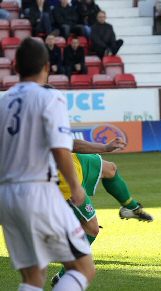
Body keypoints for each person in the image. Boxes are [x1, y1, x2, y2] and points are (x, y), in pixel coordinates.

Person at [0, 38, 95, 291]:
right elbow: (60, 147)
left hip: (7, 196)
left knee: (33, 277)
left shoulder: (3, 102)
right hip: (38, 192)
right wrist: (76, 187)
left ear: (15, 65)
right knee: (83, 267)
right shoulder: (50, 98)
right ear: (47, 66)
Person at [51, 138, 153, 286]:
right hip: (64, 182)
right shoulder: (40, 121)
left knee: (110, 169)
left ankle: (130, 208)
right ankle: (63, 276)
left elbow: (69, 142)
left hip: (71, 160)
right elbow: (72, 144)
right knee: (92, 229)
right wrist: (105, 147)